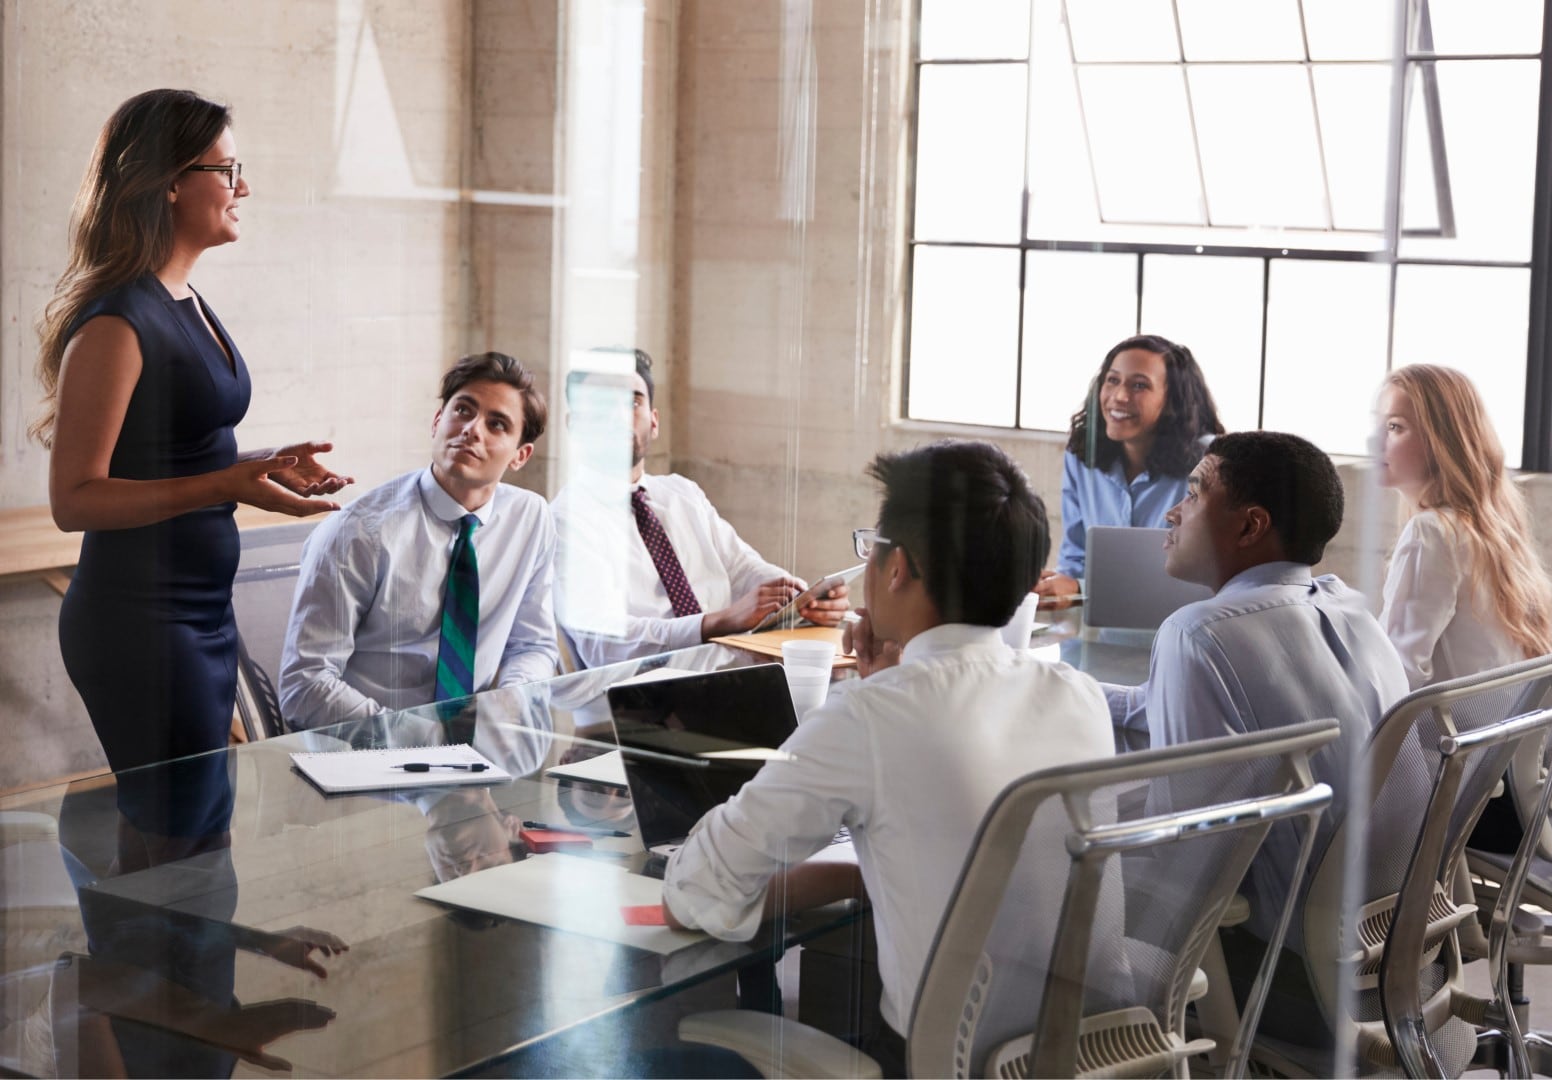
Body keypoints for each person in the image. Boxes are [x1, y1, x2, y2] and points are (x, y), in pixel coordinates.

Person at [661, 440, 1115, 1071]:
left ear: (897, 566)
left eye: (870, 543)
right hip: (1083, 1052)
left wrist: (874, 699)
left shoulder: (872, 717)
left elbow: (698, 888)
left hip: (939, 1059)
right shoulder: (1077, 694)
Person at [33, 89, 351, 777]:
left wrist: (260, 464)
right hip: (140, 623)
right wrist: (225, 484)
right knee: (175, 849)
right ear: (171, 183)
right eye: (228, 171)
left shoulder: (185, 297)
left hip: (201, 612)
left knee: (191, 848)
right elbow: (75, 500)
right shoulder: (116, 323)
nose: (245, 188)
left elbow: (167, 449)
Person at [1103, 430, 1408, 942]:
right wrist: (1058, 687)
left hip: (1271, 951)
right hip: (1378, 929)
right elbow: (1154, 706)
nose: (1173, 513)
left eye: (1195, 493)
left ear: (1250, 525)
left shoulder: (1195, 633)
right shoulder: (1347, 607)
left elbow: (1187, 850)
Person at [279, 351, 558, 730]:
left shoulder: (531, 519)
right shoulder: (359, 531)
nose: (473, 429)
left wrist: (508, 702)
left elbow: (534, 646)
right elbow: (304, 685)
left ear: (520, 455)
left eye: (497, 424)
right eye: (463, 410)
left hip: (476, 751)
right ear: (436, 421)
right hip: (363, 751)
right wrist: (416, 737)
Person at [553, 348, 848, 668]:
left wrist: (802, 598)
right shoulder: (564, 520)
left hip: (731, 672)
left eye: (633, 401)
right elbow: (605, 645)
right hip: (638, 697)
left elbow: (744, 568)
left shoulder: (682, 493)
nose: (618, 415)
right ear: (573, 424)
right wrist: (718, 621)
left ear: (653, 422)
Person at [1374, 364, 1552, 689]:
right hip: (1496, 733)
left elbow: (1397, 675)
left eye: (1394, 426)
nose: (1376, 440)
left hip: (1448, 737)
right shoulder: (1487, 530)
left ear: (1441, 440)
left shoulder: (1431, 533)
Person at [1034, 334, 1224, 604]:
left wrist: (1079, 587)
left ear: (1172, 399)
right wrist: (1061, 586)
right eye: (1112, 380)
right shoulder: (1081, 455)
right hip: (1098, 625)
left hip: (1179, 619)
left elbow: (1208, 574)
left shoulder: (1209, 461)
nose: (1119, 396)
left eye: (1139, 385)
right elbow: (1075, 558)